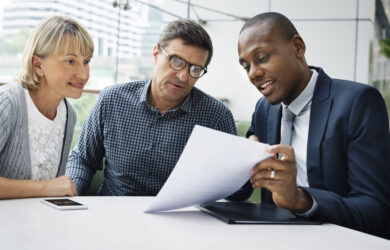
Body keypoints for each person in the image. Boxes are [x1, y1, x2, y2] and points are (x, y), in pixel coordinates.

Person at [237, 12, 390, 238]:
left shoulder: (358, 103)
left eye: (262, 58)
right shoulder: (264, 109)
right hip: (271, 239)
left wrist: (300, 199)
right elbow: (244, 187)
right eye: (245, 66)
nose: (253, 73)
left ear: (298, 47)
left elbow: (377, 211)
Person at [66, 19, 237, 196]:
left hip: (179, 219)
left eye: (195, 69)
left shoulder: (216, 116)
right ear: (156, 54)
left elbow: (235, 186)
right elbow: (83, 159)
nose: (183, 76)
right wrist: (69, 194)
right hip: (112, 213)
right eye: (176, 61)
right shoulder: (112, 100)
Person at [0, 15, 94, 199]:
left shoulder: (68, 115)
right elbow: (51, 188)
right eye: (70, 61)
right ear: (38, 65)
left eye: (86, 62)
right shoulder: (9, 103)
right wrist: (45, 188)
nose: (83, 74)